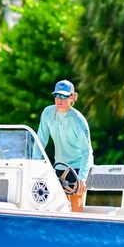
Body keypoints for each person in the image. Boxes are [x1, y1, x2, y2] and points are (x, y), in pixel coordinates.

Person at [36, 80, 94, 212]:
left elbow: (87, 152)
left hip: (78, 167)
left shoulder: (78, 120)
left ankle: (78, 231)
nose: (59, 99)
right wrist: (34, 165)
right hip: (60, 165)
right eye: (57, 95)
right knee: (60, 207)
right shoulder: (47, 113)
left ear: (73, 97)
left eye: (63, 96)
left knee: (75, 205)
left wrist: (82, 178)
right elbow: (40, 140)